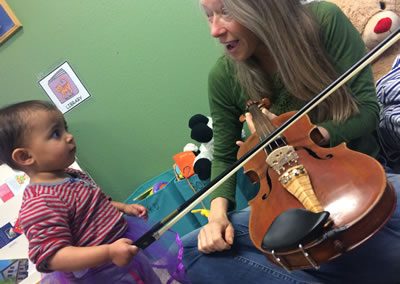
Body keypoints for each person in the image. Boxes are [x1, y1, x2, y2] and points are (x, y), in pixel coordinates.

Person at [179, 0, 400, 283]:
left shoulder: (324, 21)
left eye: (226, 12)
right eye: (208, 16)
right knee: (190, 251)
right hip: (283, 202)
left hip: (360, 179)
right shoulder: (223, 76)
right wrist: (217, 214)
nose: (215, 30)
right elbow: (223, 156)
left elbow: (368, 111)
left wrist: (302, 134)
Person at [0, 100, 185, 283]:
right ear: (25, 156)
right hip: (102, 274)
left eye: (65, 128)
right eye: (56, 133)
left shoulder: (70, 174)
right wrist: (108, 252)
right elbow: (53, 256)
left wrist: (123, 208)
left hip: (123, 252)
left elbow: (93, 203)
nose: (69, 136)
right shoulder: (41, 202)